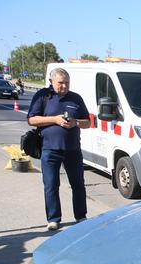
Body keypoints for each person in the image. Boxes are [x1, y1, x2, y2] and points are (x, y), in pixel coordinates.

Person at [27, 68, 90, 231]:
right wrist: (55, 119)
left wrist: (75, 122)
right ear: (51, 82)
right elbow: (32, 120)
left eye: (67, 83)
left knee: (78, 184)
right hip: (49, 149)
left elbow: (88, 122)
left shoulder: (75, 98)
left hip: (73, 150)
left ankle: (81, 216)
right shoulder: (43, 96)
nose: (64, 86)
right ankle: (54, 219)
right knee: (51, 185)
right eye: (60, 83)